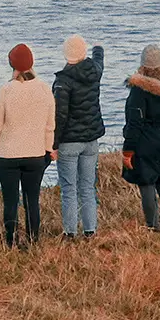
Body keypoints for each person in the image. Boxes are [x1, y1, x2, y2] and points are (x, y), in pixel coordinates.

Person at [0, 43, 56, 247]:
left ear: (12, 65)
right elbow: (49, 125)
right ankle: (34, 240)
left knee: (10, 201)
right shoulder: (44, 89)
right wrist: (47, 149)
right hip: (35, 153)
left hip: (7, 154)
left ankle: (11, 241)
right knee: (32, 200)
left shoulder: (5, 90)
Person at [122, 44, 160, 232]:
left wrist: (128, 150)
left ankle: (153, 227)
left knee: (147, 183)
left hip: (144, 143)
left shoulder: (139, 91)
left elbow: (134, 123)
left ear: (143, 66)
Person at [53, 34, 105, 239]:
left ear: (66, 54)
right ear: (84, 53)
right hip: (91, 140)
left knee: (69, 188)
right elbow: (99, 61)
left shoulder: (62, 81)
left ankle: (70, 232)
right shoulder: (95, 72)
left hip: (69, 142)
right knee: (87, 187)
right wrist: (99, 48)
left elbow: (60, 116)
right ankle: (90, 230)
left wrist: (53, 144)